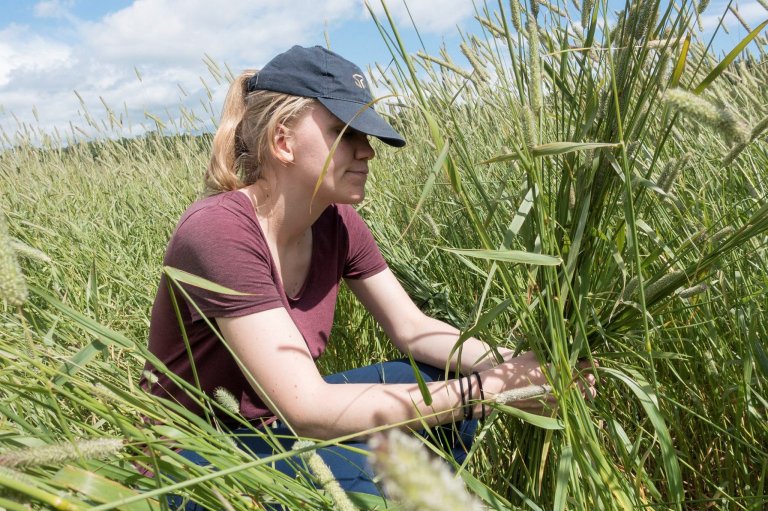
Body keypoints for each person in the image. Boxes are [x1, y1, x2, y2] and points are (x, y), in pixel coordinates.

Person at [143, 45, 596, 504]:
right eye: (344, 132)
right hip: (193, 457)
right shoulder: (220, 230)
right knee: (395, 448)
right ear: (283, 141)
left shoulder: (335, 221)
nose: (367, 153)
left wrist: (520, 366)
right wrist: (492, 390)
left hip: (273, 429)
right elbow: (308, 409)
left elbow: (414, 329)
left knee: (438, 370)